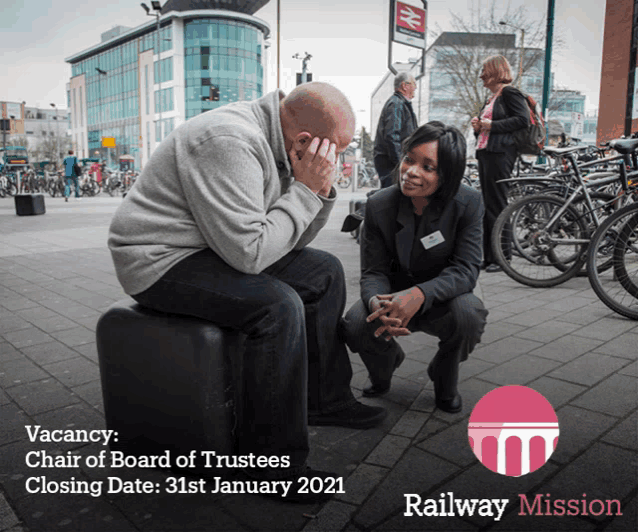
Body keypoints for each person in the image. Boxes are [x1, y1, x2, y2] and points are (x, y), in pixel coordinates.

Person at [107, 82, 387, 503]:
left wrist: (317, 191)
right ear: (305, 141)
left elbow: (290, 242)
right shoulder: (227, 140)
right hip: (158, 258)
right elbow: (252, 254)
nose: (339, 160)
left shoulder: (284, 142)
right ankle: (270, 466)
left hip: (216, 246)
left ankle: (324, 400)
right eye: (336, 151)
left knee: (324, 271)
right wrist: (307, 190)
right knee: (276, 306)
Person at [342, 122, 488, 414]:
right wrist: (378, 304)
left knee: (470, 314)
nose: (411, 171)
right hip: (391, 299)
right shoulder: (379, 204)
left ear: (447, 175)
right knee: (356, 322)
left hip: (443, 300)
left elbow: (466, 269)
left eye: (428, 167)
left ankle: (444, 374)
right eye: (409, 159)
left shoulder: (468, 203)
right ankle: (385, 367)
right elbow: (373, 272)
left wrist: (420, 294)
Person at [471, 55, 529, 272]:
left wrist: (491, 124)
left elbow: (523, 120)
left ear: (494, 72)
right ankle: (489, 257)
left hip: (501, 154)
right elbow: (487, 128)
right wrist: (478, 126)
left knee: (497, 204)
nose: (481, 77)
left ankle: (501, 257)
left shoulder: (509, 93)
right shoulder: (491, 98)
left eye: (485, 71)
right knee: (488, 206)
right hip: (487, 153)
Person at [373, 72, 419, 188]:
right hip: (391, 163)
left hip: (392, 161)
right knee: (391, 194)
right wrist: (400, 163)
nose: (416, 87)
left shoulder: (400, 104)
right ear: (405, 86)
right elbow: (392, 135)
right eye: (414, 83)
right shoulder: (396, 104)